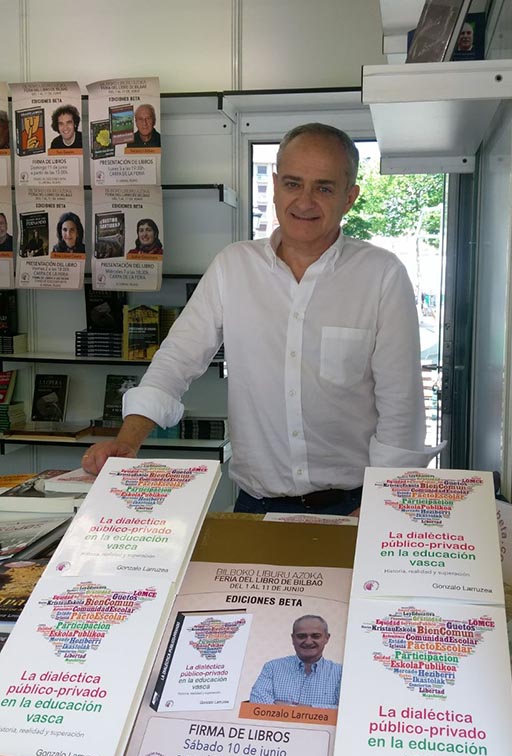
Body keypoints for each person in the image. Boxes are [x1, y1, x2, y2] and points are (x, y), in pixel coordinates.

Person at [82, 122, 439, 513]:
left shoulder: (381, 275)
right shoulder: (233, 266)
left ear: (349, 197)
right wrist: (127, 441)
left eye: (323, 188)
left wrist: (378, 508)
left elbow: (401, 407)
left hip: (353, 507)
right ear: (276, 185)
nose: (304, 201)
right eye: (292, 183)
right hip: (256, 507)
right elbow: (177, 358)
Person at [249, 615, 342, 708]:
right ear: (293, 638)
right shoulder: (272, 668)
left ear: (327, 638)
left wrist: (300, 708)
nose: (308, 642)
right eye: (301, 636)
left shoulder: (340, 673)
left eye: (315, 636)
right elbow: (257, 704)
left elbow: (345, 710)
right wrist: (322, 708)